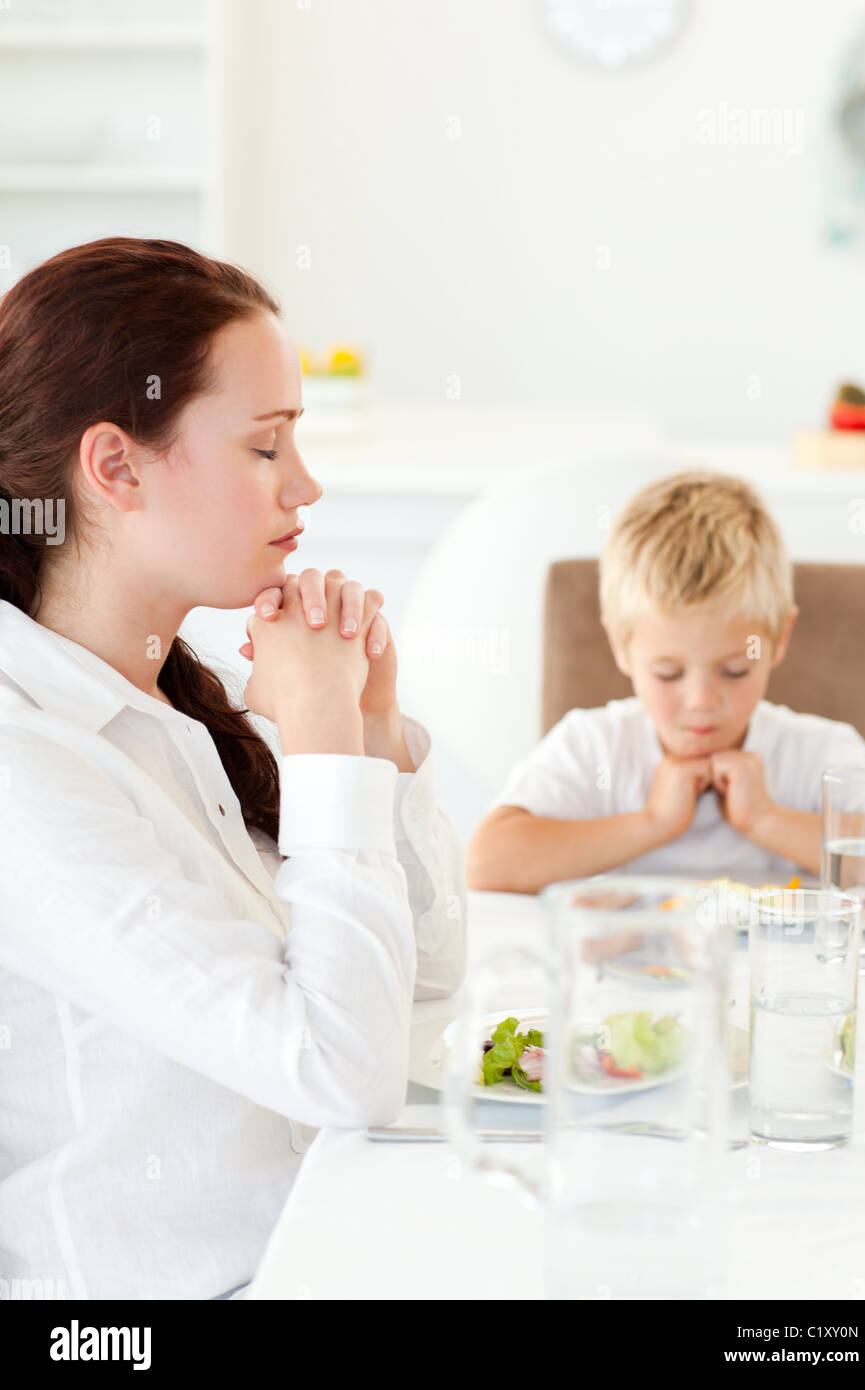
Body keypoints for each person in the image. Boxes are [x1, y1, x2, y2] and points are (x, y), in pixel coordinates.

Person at [0, 237, 466, 1301]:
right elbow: (339, 1072)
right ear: (114, 467)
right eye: (266, 448)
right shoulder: (24, 761)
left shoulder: (183, 694)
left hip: (321, 1257)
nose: (305, 485)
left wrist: (372, 733)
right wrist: (320, 748)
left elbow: (418, 1003)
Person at [466, 470, 865, 894]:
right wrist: (653, 822)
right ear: (620, 646)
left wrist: (765, 818)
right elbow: (487, 864)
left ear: (778, 640)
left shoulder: (821, 756)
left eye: (736, 669)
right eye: (668, 673)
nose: (701, 701)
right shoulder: (592, 749)